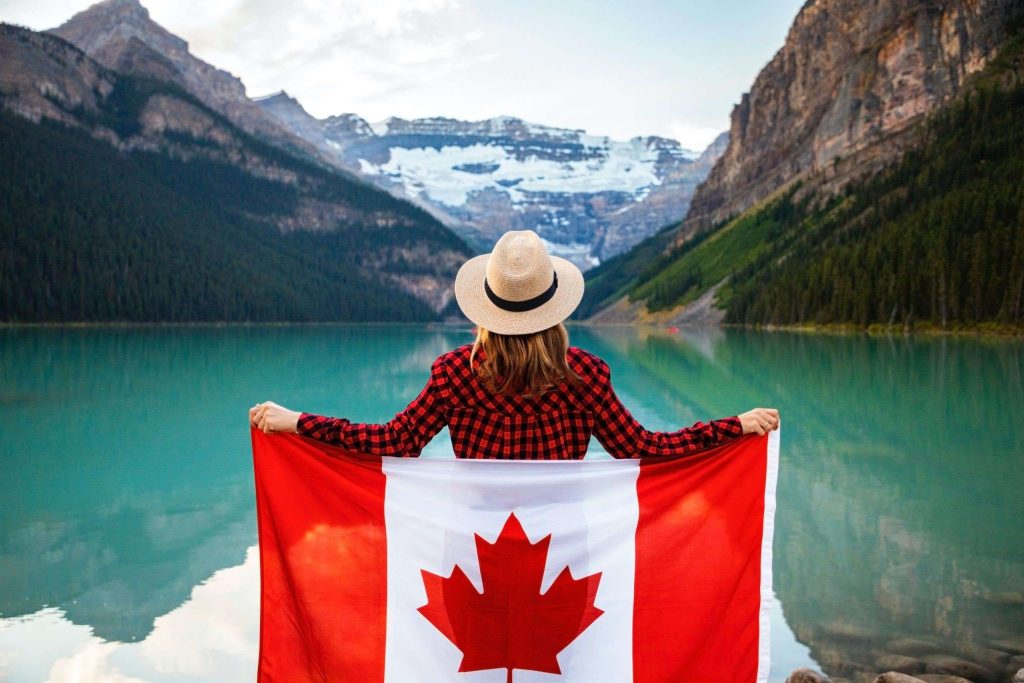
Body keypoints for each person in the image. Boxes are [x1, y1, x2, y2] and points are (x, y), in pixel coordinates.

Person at [249, 229, 779, 458]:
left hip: (473, 544)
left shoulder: (455, 372)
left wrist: (296, 422)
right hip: (564, 548)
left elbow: (394, 442)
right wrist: (733, 427)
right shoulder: (586, 375)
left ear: (486, 308)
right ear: (556, 306)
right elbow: (645, 450)